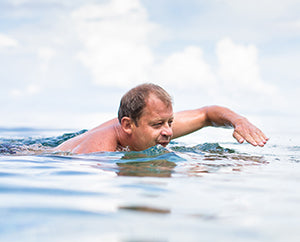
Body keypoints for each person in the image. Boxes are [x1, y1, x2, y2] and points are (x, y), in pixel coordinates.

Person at [54, 83, 268, 154]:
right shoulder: (99, 146)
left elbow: (207, 113)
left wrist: (240, 121)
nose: (168, 131)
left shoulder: (160, 127)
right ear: (128, 125)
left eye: (170, 122)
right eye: (157, 124)